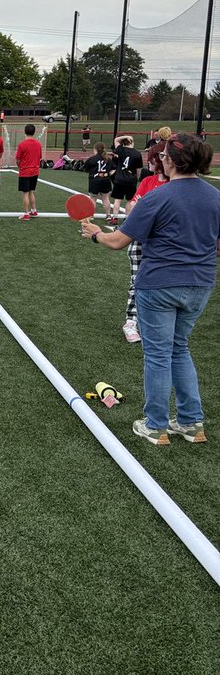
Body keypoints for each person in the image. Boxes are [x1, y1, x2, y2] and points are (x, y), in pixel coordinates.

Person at [80, 133, 220, 446]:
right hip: (200, 284)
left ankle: (155, 425)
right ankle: (191, 423)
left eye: (164, 156)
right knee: (179, 348)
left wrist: (95, 234)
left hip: (159, 284)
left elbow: (118, 241)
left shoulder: (158, 196)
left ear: (171, 161)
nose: (161, 161)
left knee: (158, 355)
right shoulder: (215, 197)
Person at [120, 141, 169, 343]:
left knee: (164, 284)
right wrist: (138, 207)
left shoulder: (175, 185)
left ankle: (155, 321)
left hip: (164, 245)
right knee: (137, 281)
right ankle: (131, 322)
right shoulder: (148, 181)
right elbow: (130, 208)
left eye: (153, 158)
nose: (149, 162)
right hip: (140, 241)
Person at [109, 135, 143, 224]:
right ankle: (127, 218)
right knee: (129, 200)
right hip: (131, 180)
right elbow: (139, 169)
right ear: (132, 142)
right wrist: (137, 177)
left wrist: (126, 136)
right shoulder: (137, 153)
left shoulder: (121, 150)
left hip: (119, 178)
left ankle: (115, 218)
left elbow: (116, 140)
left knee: (117, 199)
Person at [14, 123, 41, 219]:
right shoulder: (38, 144)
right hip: (35, 171)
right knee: (31, 191)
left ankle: (26, 213)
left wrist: (20, 166)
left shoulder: (22, 144)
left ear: (25, 132)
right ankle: (33, 210)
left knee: (25, 193)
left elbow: (18, 159)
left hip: (25, 171)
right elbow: (39, 157)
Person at [84, 142, 114, 220]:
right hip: (106, 180)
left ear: (95, 149)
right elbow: (114, 169)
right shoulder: (108, 159)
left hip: (95, 181)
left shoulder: (92, 159)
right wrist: (108, 174)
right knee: (106, 198)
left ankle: (91, 215)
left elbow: (85, 169)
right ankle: (108, 215)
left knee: (93, 198)